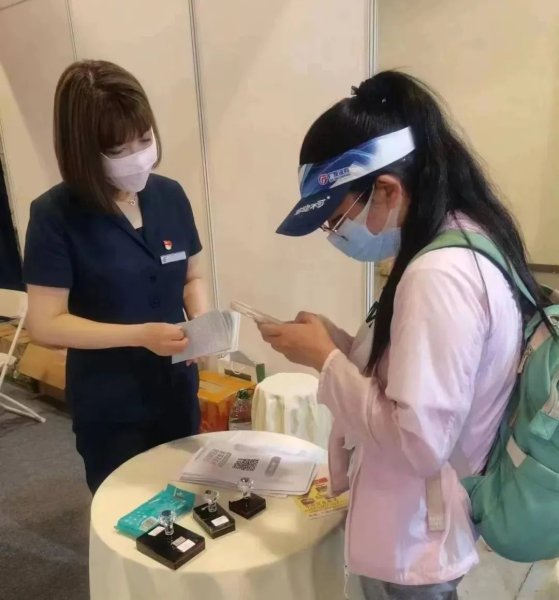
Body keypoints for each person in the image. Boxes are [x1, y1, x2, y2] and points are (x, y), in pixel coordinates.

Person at [259, 71, 549, 599]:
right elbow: (422, 376)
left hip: (417, 537)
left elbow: (419, 443)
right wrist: (338, 344)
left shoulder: (438, 276)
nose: (334, 235)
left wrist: (327, 362)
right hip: (421, 518)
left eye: (336, 219)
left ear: (387, 189)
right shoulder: (463, 235)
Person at [23, 60, 207, 494]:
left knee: (186, 499)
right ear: (83, 150)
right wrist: (139, 335)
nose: (137, 156)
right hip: (111, 400)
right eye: (118, 150)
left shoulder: (169, 195)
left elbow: (191, 276)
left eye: (144, 139)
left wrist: (202, 325)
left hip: (175, 386)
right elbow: (45, 324)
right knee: (127, 511)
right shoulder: (54, 215)